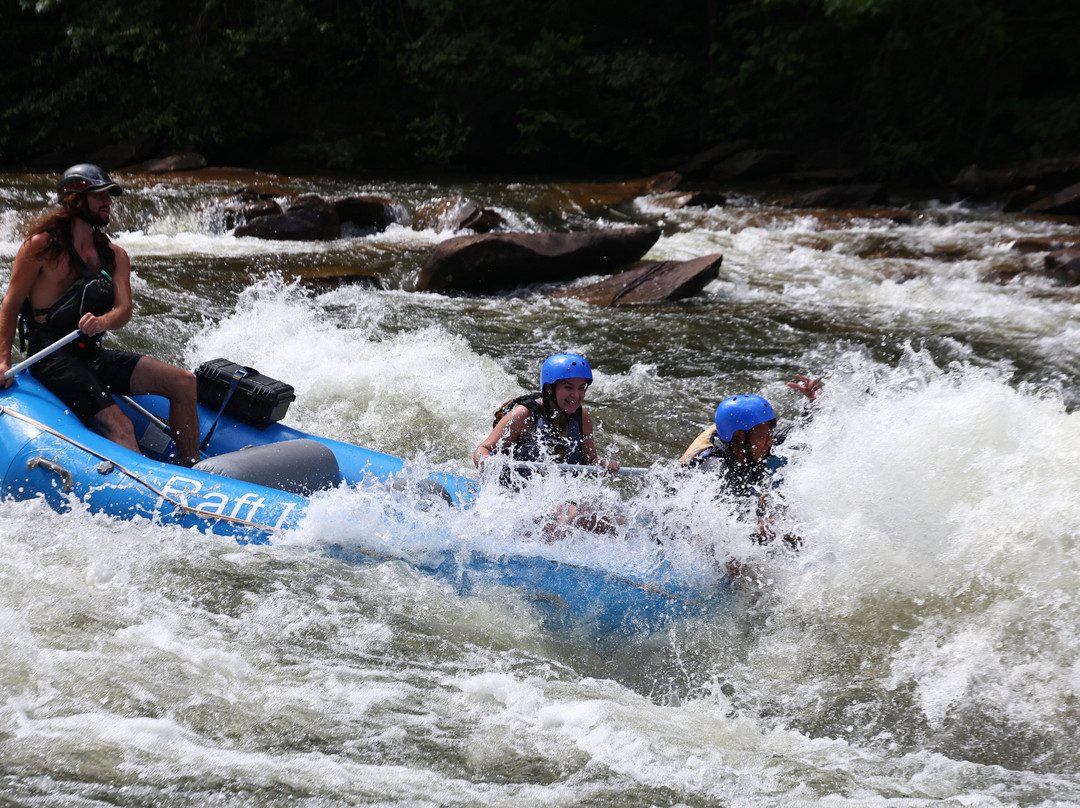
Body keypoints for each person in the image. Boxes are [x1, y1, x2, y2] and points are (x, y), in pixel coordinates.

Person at [0, 163, 201, 466]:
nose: (108, 202)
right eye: (99, 196)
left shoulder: (114, 255)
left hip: (89, 352)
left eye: (109, 196)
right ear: (74, 200)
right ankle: (151, 501)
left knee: (184, 381)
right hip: (50, 358)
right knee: (122, 426)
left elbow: (124, 310)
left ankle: (195, 471)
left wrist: (102, 322)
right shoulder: (40, 246)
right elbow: (11, 305)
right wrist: (3, 359)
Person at [473, 352, 620, 535]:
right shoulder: (523, 415)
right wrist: (485, 461)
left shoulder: (582, 417)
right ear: (550, 389)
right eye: (568, 387)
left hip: (557, 495)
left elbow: (590, 462)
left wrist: (604, 465)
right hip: (516, 494)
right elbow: (483, 449)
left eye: (581, 387)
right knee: (571, 515)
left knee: (609, 519)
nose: (576, 395)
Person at [679, 375, 822, 557]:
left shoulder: (751, 443)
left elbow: (806, 432)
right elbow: (725, 529)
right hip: (689, 538)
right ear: (739, 436)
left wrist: (814, 405)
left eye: (770, 433)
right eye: (765, 436)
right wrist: (779, 528)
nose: (771, 442)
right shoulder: (714, 470)